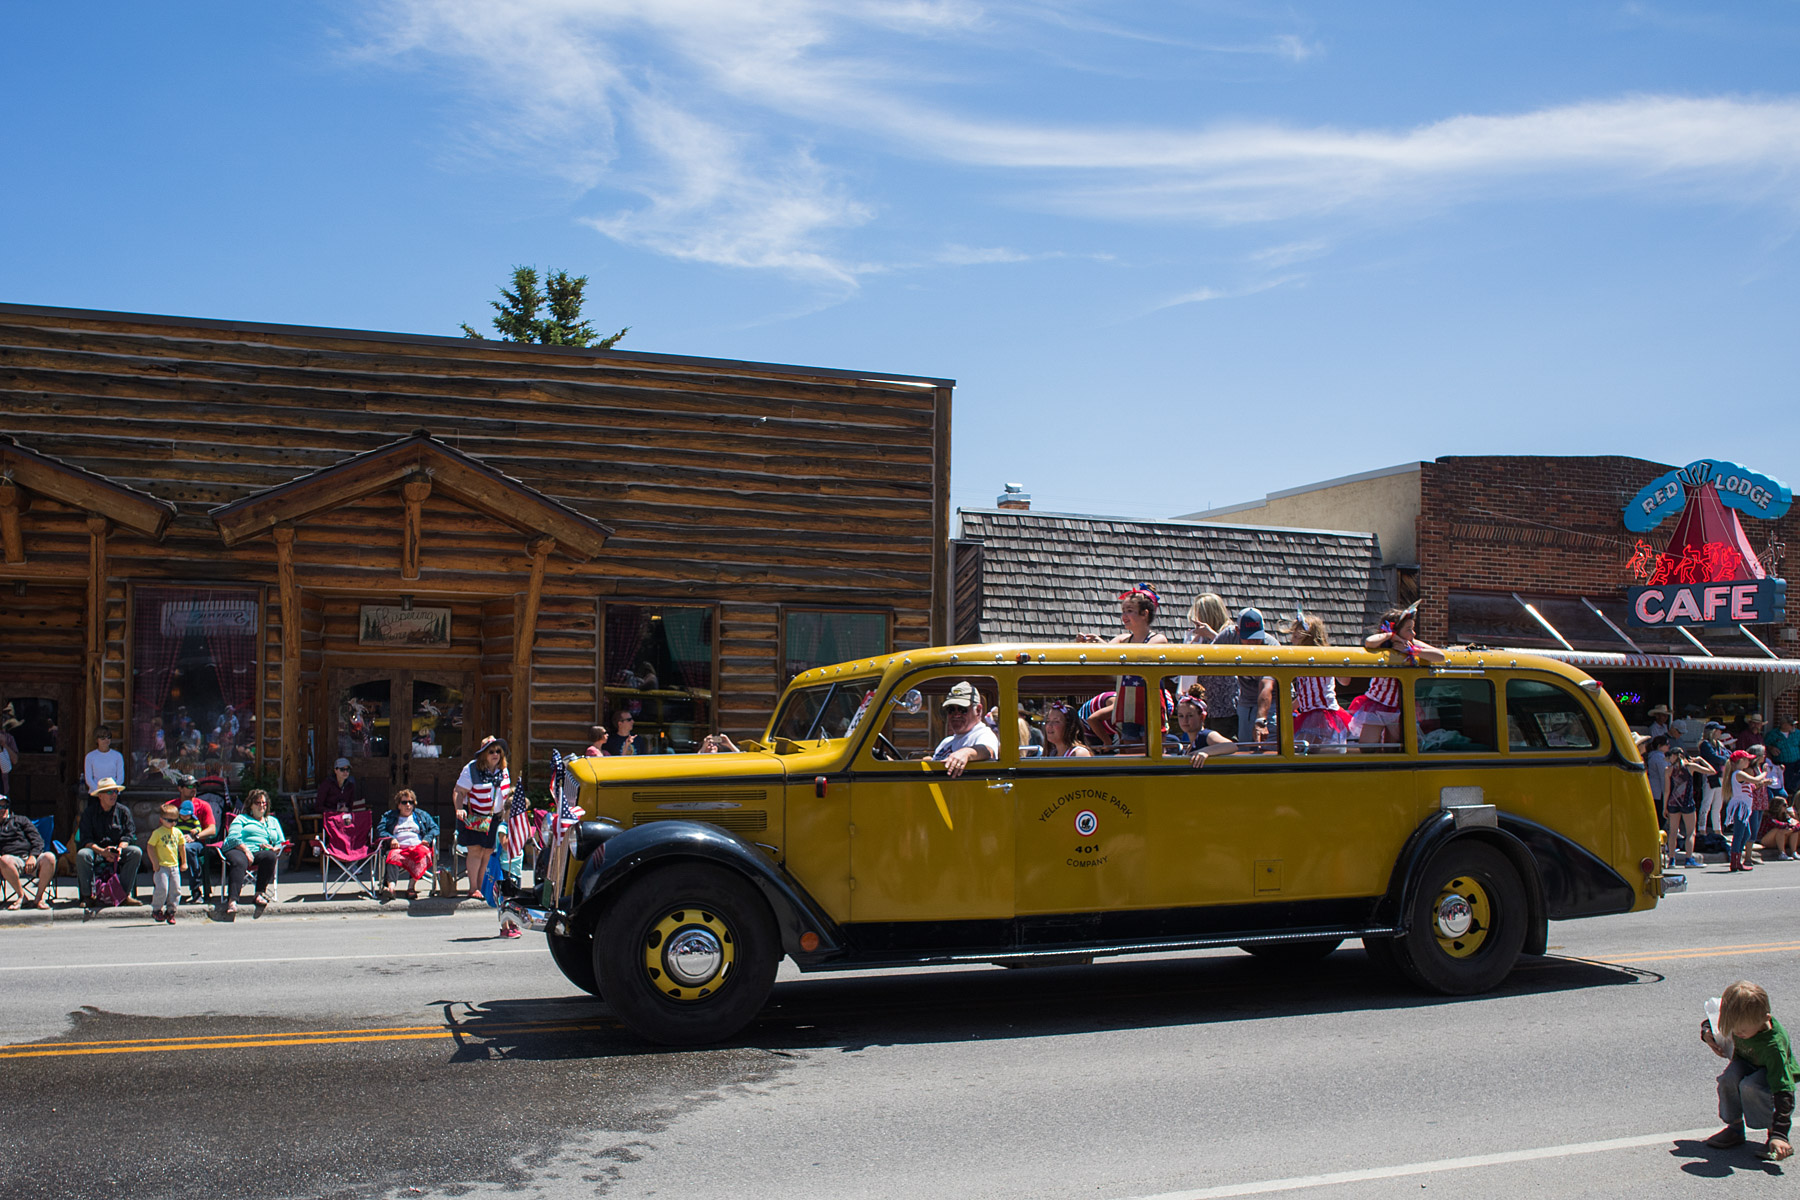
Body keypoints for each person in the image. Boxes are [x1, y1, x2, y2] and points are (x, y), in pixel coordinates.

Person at [1702, 980, 1796, 1160]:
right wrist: (1706, 1033)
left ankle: (1773, 1136)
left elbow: (1785, 1090)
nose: (1737, 1033)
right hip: (1747, 1061)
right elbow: (1711, 1022)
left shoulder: (1773, 1046)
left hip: (1770, 1072)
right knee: (1728, 1079)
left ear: (1765, 1019)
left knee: (1750, 1086)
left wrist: (1781, 1133)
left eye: (1742, 1030)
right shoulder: (1740, 1023)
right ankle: (1735, 1129)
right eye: (1733, 1028)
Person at [1212, 608, 1281, 749]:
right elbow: (1208, 658)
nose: (1254, 642)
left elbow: (1266, 686)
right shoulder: (1228, 637)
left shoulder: (1272, 647)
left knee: (1267, 748)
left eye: (1257, 636)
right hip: (1246, 701)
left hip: (1272, 702)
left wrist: (1261, 721)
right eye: (1248, 638)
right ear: (1238, 631)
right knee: (1244, 747)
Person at [454, 735, 512, 897]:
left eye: (498, 751)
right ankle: (473, 888)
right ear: (483, 754)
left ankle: (481, 887)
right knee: (476, 851)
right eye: (491, 751)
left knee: (488, 851)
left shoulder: (503, 770)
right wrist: (459, 809)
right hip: (476, 816)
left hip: (495, 817)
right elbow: (459, 791)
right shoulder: (471, 769)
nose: (495, 754)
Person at [1285, 612, 1352, 750]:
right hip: (1309, 713)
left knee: (1304, 749)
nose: (1292, 640)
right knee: (1304, 748)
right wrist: (1289, 707)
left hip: (1323, 713)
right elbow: (1308, 693)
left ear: (1307, 638)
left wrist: (1340, 664)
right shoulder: (1301, 660)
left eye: (1296, 637)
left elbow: (1345, 682)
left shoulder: (1325, 657)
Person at [77, 778, 142, 908]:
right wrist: (102, 851)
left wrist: (119, 849)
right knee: (83, 855)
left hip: (118, 850)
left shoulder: (123, 811)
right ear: (100, 795)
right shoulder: (89, 813)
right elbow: (85, 839)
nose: (114, 795)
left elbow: (129, 835)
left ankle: (123, 895)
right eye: (109, 792)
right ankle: (88, 896)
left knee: (136, 852)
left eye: (116, 791)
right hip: (97, 851)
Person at [221, 788, 284, 915]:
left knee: (270, 856)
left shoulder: (272, 821)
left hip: (259, 851)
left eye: (264, 803)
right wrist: (245, 850)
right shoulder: (241, 819)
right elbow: (233, 836)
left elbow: (281, 842)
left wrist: (275, 848)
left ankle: (259, 893)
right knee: (239, 861)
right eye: (258, 803)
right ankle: (232, 900)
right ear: (250, 805)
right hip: (238, 848)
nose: (261, 806)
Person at [376, 789, 439, 900]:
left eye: (411, 802)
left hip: (417, 846)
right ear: (399, 805)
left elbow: (434, 828)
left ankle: (411, 887)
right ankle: (391, 888)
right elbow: (380, 830)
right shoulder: (389, 816)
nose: (408, 805)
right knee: (393, 855)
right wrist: (391, 839)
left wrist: (427, 839)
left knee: (422, 853)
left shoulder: (421, 815)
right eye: (404, 802)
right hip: (399, 847)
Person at [932, 682, 998, 778]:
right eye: (951, 709)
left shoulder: (983, 734)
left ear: (978, 710)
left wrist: (967, 753)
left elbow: (987, 750)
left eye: (962, 709)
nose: (956, 714)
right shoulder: (946, 742)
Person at [0, 793, 55, 909]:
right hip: (10, 861)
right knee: (4, 860)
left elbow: (38, 840)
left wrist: (33, 856)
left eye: (4, 807)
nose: (2, 810)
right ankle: (21, 896)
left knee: (49, 857)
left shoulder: (21, 820)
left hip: (30, 857)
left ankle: (39, 898)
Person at [171, 774, 218, 905]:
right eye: (189, 786)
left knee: (188, 849)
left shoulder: (203, 805)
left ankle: (196, 891)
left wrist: (195, 836)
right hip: (173, 842)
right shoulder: (171, 806)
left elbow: (212, 829)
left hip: (195, 843)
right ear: (180, 788)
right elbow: (162, 828)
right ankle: (165, 891)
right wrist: (179, 838)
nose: (194, 789)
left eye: (195, 786)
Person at [1725, 750, 1773, 873]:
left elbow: (1753, 785)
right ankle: (1735, 862)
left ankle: (1737, 858)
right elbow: (1755, 780)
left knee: (1746, 834)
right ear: (1740, 761)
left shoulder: (1741, 774)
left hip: (1745, 808)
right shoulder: (1738, 773)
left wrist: (1763, 782)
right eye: (1746, 759)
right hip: (1741, 807)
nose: (1749, 761)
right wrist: (1765, 772)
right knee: (1739, 834)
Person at [1666, 744, 1713, 868]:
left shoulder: (1668, 770)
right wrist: (1700, 760)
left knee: (1673, 832)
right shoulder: (1690, 767)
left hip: (1673, 802)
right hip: (1687, 801)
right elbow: (1712, 771)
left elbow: (1666, 790)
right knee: (1691, 832)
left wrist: (1664, 807)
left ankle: (1671, 860)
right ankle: (1689, 859)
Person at [1172, 686, 1236, 768]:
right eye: (1181, 716)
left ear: (1202, 717)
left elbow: (1231, 746)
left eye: (1190, 715)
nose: (1185, 720)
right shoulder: (1191, 743)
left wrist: (1206, 751)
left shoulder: (1205, 735)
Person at [146, 801, 185, 924]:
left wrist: (184, 862)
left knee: (176, 889)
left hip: (174, 866)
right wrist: (155, 862)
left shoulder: (177, 832)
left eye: (175, 821)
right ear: (161, 820)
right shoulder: (157, 833)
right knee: (162, 888)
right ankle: (157, 909)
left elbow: (181, 846)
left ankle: (171, 911)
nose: (172, 823)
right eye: (169, 820)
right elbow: (150, 847)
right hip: (162, 866)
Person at [1697, 722, 1733, 840]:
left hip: (1721, 776)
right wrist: (1724, 760)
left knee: (1718, 804)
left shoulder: (1720, 744)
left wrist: (1724, 759)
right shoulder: (1705, 744)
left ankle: (1718, 830)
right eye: (1718, 730)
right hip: (1710, 776)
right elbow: (1713, 757)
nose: (1720, 732)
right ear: (1712, 731)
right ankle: (1701, 828)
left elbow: (1729, 755)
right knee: (1706, 803)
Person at [1759, 792, 1800, 862]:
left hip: (1780, 839)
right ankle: (1782, 853)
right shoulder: (1768, 815)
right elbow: (1777, 824)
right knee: (1778, 830)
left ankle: (1794, 852)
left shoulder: (1785, 815)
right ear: (1778, 805)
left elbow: (1797, 824)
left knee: (1794, 831)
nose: (1786, 807)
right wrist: (1791, 827)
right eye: (1784, 805)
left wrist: (1793, 828)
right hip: (1766, 840)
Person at [83, 727, 124, 796]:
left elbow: (120, 778)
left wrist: (111, 791)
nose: (106, 740)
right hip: (96, 794)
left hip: (113, 795)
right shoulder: (90, 756)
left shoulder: (117, 756)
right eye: (103, 738)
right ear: (97, 740)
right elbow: (89, 779)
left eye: (108, 737)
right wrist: (100, 791)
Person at [1766, 717, 1800, 795]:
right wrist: (1771, 748)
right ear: (1784, 725)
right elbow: (1765, 745)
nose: (1794, 727)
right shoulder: (1773, 734)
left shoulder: (1797, 733)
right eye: (1792, 725)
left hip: (1797, 761)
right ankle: (1788, 794)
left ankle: (1792, 790)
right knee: (1786, 781)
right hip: (1782, 762)